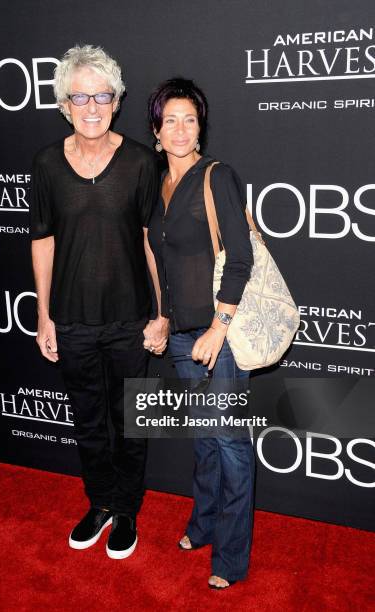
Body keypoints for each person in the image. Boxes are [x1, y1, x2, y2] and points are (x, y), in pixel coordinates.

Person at [30, 45, 167, 560]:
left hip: (131, 320)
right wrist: (44, 315)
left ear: (116, 100)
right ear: (65, 103)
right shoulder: (45, 163)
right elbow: (42, 240)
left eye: (102, 95)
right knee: (88, 420)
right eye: (80, 96)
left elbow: (154, 241)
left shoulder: (139, 162)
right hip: (73, 320)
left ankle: (128, 508)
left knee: (131, 419)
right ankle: (101, 503)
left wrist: (162, 311)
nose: (92, 105)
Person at [147, 78, 255, 589]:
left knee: (231, 441)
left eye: (190, 118)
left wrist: (219, 326)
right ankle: (204, 523)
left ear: (201, 126)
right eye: (171, 119)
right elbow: (165, 263)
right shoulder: (158, 186)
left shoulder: (218, 176)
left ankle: (231, 557)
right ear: (156, 130)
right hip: (184, 336)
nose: (181, 128)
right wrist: (164, 317)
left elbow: (242, 258)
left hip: (221, 334)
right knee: (206, 438)